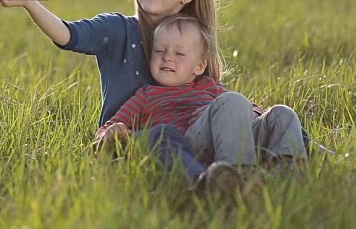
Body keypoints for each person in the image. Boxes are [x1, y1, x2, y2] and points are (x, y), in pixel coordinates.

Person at [0, 0, 314, 162]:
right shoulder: (118, 29)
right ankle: (235, 180)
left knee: (278, 115)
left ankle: (291, 177)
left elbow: (218, 99)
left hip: (199, 135)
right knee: (230, 111)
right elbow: (68, 34)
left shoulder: (192, 37)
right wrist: (30, 4)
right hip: (141, 141)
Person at [93, 14, 307, 199]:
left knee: (281, 113)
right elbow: (108, 129)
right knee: (231, 101)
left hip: (226, 139)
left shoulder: (209, 87)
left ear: (199, 66)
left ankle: (288, 172)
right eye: (160, 51)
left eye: (179, 54)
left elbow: (246, 109)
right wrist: (110, 133)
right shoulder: (146, 95)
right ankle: (238, 176)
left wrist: (236, 111)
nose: (167, 57)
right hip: (189, 146)